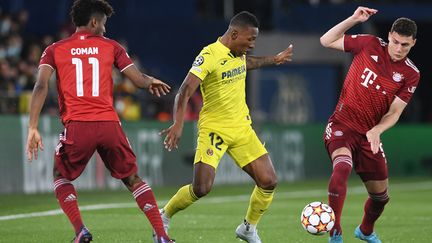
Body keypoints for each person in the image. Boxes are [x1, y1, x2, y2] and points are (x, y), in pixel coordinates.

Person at [25, 0, 175, 242]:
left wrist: (33, 126)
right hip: (109, 125)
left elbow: (41, 85)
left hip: (78, 125)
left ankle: (80, 231)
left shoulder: (54, 49)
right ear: (94, 22)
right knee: (132, 178)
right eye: (104, 24)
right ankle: (161, 236)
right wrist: (150, 82)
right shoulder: (112, 47)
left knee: (60, 175)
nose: (105, 29)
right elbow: (138, 80)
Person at [159, 11, 293, 243]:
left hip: (242, 128)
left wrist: (274, 59)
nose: (251, 45)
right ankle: (164, 215)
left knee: (269, 181)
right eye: (250, 39)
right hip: (215, 129)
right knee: (201, 188)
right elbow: (185, 90)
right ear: (234, 34)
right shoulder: (209, 54)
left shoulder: (237, 53)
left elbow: (245, 64)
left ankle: (248, 228)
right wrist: (178, 124)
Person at [320, 6, 420, 243]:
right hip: (342, 125)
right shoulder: (369, 44)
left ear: (413, 43)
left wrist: (377, 130)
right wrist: (353, 19)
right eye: (395, 42)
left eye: (404, 45)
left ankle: (365, 231)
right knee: (342, 167)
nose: (398, 49)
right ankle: (335, 231)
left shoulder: (411, 73)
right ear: (389, 37)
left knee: (381, 198)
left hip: (368, 135)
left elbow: (395, 113)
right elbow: (326, 41)